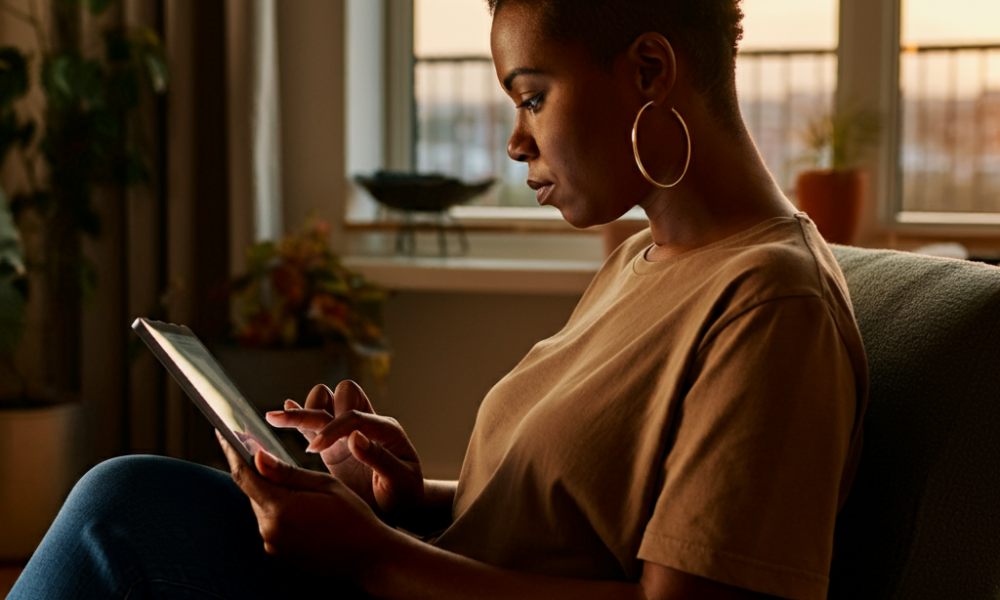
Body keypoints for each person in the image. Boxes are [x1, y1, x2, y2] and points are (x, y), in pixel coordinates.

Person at [9, 0, 867, 598]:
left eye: (532, 95)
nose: (513, 138)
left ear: (648, 69)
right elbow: (579, 527)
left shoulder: (772, 305)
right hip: (408, 574)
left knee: (118, 517)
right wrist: (409, 501)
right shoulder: (647, 256)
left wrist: (375, 560)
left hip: (398, 588)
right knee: (128, 502)